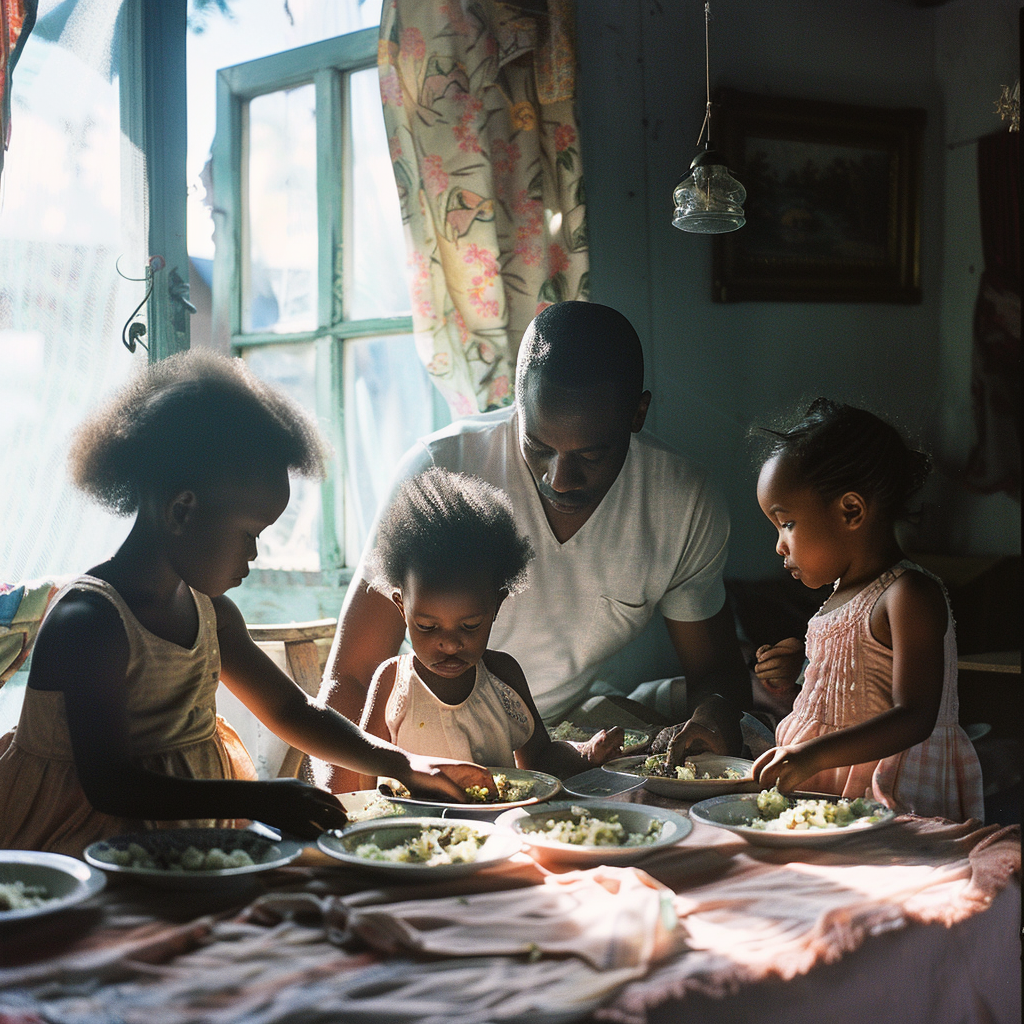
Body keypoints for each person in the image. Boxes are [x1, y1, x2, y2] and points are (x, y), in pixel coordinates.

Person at [0, 350, 492, 857]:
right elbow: (110, 785)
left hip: (182, 844)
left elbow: (290, 709)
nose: (254, 553)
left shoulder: (212, 616)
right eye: (249, 533)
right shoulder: (91, 624)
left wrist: (402, 764)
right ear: (182, 509)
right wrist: (260, 799)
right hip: (79, 845)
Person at [317, 300, 751, 793]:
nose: (560, 480)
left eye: (591, 454)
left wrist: (715, 714)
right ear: (518, 403)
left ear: (638, 413)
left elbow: (714, 670)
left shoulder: (682, 499)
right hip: (421, 748)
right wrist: (340, 803)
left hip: (561, 737)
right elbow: (351, 676)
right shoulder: (441, 468)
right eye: (539, 448)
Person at [742, 398, 984, 820]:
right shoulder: (839, 596)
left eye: (786, 523)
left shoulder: (909, 594)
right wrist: (798, 669)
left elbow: (914, 716)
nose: (779, 545)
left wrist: (812, 755)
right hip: (834, 785)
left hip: (892, 791)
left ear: (850, 510)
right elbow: (853, 687)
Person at [355, 467, 623, 789]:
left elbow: (538, 760)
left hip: (500, 829)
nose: (451, 644)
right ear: (402, 607)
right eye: (427, 627)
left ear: (496, 606)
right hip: (419, 833)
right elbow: (363, 773)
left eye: (470, 626)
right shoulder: (393, 683)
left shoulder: (502, 676)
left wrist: (585, 754)